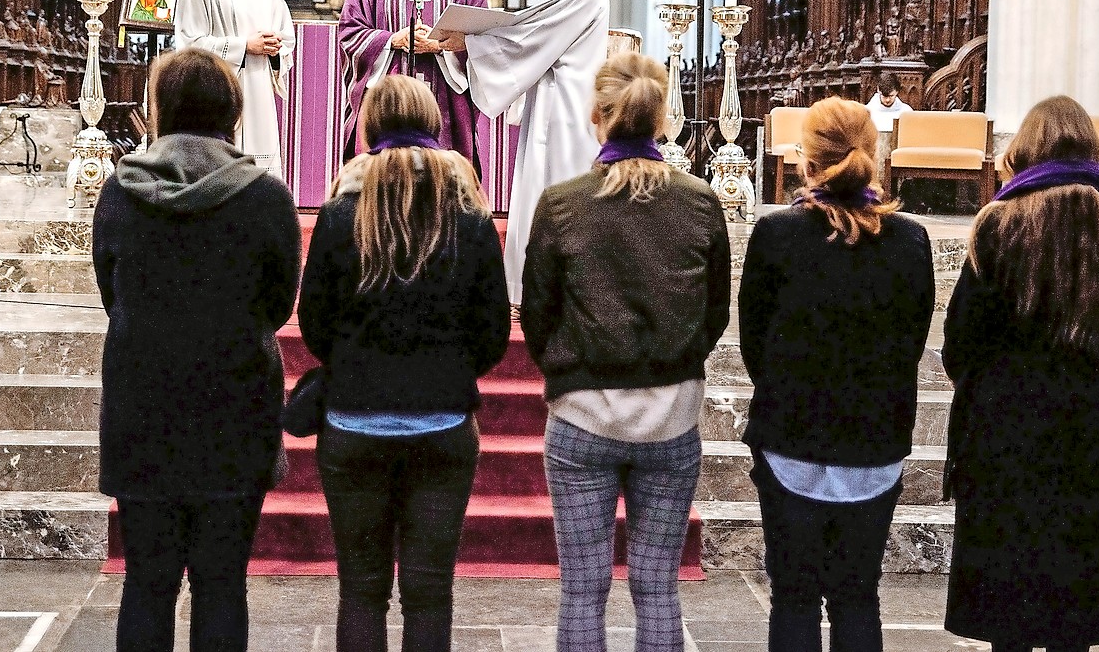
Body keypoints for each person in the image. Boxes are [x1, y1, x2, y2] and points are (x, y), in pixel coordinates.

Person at [520, 52, 731, 652]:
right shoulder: (698, 200)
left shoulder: (563, 203)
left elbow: (538, 311)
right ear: (662, 118)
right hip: (670, 416)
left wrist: (567, 370)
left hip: (583, 413)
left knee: (583, 590)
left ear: (599, 114)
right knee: (658, 588)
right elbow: (715, 309)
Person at [92, 48, 301, 652]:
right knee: (221, 583)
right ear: (232, 110)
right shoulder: (264, 196)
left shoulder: (121, 192)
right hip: (234, 401)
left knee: (147, 583)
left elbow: (112, 292)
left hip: (143, 400)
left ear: (161, 108)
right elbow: (278, 302)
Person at [298, 73, 511, 652]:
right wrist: (447, 370)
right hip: (441, 422)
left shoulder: (341, 213)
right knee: (429, 591)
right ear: (436, 125)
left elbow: (314, 327)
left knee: (361, 591)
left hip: (353, 420)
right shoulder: (468, 216)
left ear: (368, 126)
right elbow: (493, 333)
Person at [942, 95, 1099, 652]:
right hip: (1080, 405)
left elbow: (960, 337)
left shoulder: (999, 222)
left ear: (1025, 149)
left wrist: (983, 380)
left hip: (1004, 406)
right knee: (1072, 555)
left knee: (1007, 562)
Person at [738, 97, 935, 652]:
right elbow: (911, 343)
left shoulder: (777, 235)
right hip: (873, 441)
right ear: (874, 153)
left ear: (805, 159)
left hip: (791, 439)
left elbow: (755, 343)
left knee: (794, 598)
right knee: (857, 596)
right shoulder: (909, 240)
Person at [441, 0, 611, 308]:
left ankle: (550, 290)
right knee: (540, 186)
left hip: (568, 108)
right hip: (554, 99)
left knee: (555, 187)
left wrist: (473, 42)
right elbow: (533, 31)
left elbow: (533, 35)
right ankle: (531, 286)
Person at [339, 0, 489, 166]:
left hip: (444, 90)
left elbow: (484, 36)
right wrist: (391, 40)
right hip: (388, 92)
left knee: (441, 173)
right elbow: (349, 32)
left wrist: (441, 47)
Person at [175, 0, 295, 178]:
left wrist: (275, 49)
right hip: (220, 93)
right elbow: (189, 43)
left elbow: (286, 38)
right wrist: (244, 46)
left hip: (259, 94)